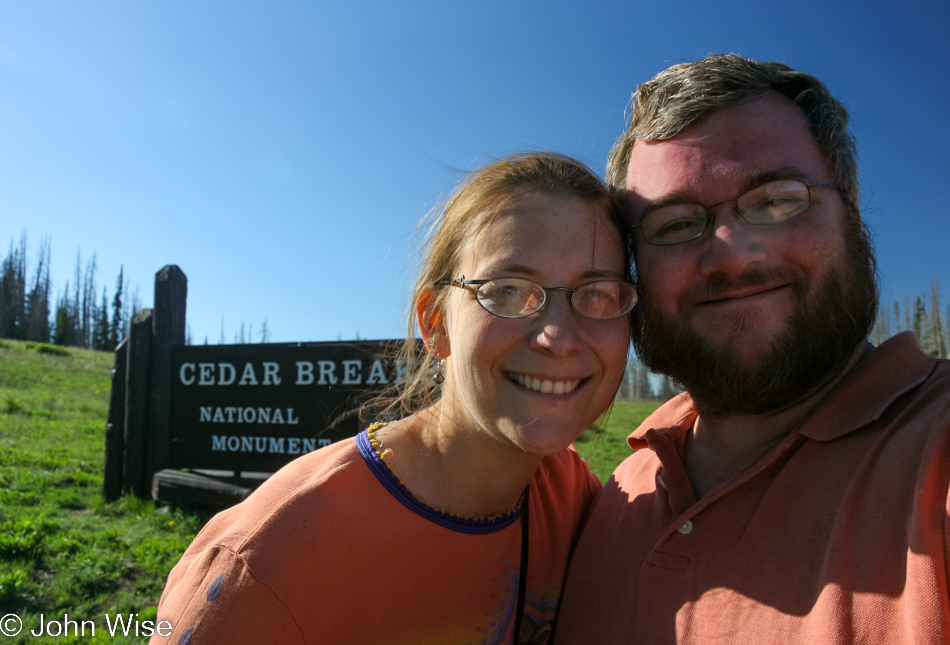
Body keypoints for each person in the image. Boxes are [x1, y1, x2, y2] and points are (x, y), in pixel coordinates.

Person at [150, 152, 637, 645]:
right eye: (508, 290)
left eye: (597, 293)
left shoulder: (573, 498)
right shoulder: (265, 564)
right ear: (436, 323)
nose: (559, 336)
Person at [555, 54, 950, 644]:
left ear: (852, 207)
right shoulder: (615, 493)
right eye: (673, 223)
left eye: (776, 199)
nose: (733, 254)